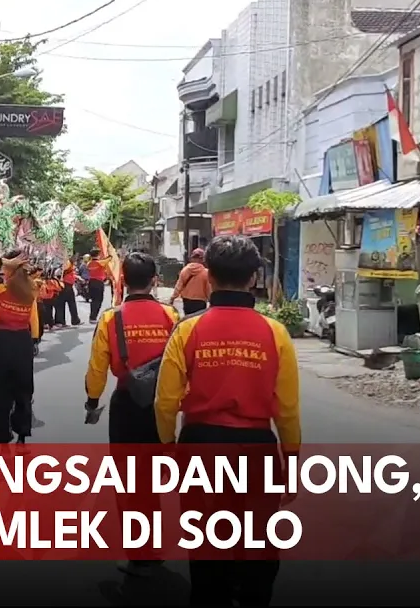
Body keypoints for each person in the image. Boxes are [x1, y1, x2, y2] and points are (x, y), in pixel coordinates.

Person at [153, 235, 300, 606]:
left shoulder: (187, 330)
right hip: (257, 450)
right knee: (258, 542)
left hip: (200, 447)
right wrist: (292, 462)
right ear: (253, 278)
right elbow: (287, 409)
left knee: (205, 542)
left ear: (210, 277)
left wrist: (169, 450)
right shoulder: (275, 333)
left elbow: (165, 402)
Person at [84, 251, 178, 578]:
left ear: (122, 278)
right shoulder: (171, 316)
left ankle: (141, 554)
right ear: (155, 280)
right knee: (153, 481)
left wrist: (92, 401)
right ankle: (154, 548)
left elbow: (97, 367)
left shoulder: (112, 318)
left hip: (126, 404)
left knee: (129, 484)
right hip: (161, 407)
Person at [0, 250, 41, 443]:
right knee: (23, 390)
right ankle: (21, 438)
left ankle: (2, 440)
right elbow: (34, 317)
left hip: (2, 342)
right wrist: (35, 339)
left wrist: (6, 261)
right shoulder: (32, 290)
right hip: (23, 341)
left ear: (9, 271)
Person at [171, 247, 210, 316]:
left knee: (188, 321)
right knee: (198, 321)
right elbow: (208, 289)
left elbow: (178, 286)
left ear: (192, 258)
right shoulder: (205, 272)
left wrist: (173, 298)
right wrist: (211, 301)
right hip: (200, 302)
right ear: (202, 259)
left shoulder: (185, 270)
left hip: (187, 301)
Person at [56, 257, 82, 327]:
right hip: (65, 285)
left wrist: (77, 277)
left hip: (68, 285)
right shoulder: (66, 262)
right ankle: (61, 321)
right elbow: (64, 269)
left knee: (71, 304)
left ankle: (74, 320)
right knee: (62, 304)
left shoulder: (69, 263)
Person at [86, 248, 110, 322]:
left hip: (91, 282)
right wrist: (109, 254)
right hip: (98, 283)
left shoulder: (89, 263)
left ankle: (92, 317)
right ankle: (93, 317)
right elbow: (109, 259)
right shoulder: (100, 263)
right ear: (98, 255)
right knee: (98, 300)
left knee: (93, 300)